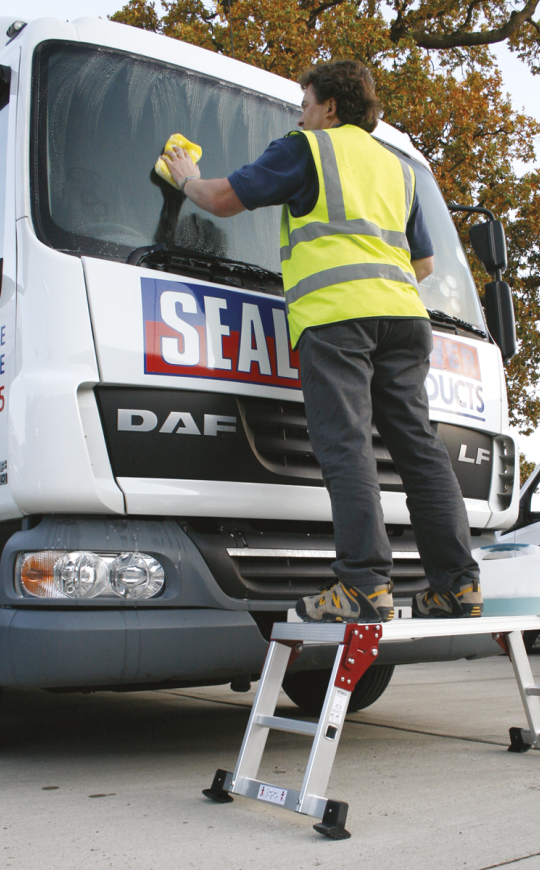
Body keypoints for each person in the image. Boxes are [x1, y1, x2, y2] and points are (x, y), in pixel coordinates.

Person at [161, 60, 481, 623]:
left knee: (347, 446)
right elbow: (424, 262)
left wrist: (184, 174)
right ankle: (457, 586)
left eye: (305, 102)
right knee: (420, 450)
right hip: (405, 321)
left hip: (338, 320)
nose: (301, 112)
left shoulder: (306, 148)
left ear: (330, 107)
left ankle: (362, 585)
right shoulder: (399, 169)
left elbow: (221, 200)